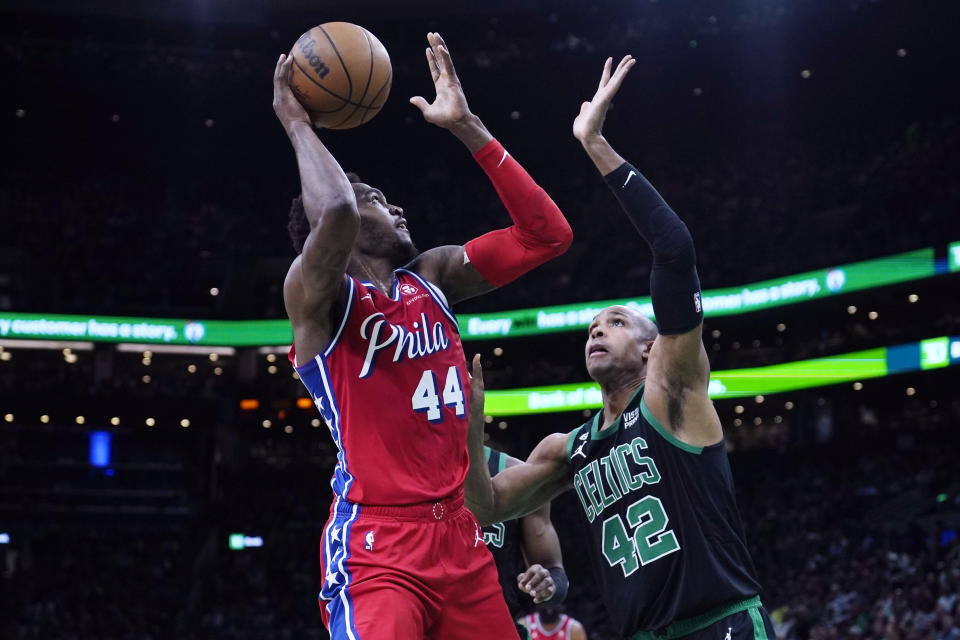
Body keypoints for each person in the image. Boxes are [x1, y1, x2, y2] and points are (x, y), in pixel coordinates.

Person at [272, 31, 573, 640]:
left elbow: (548, 235)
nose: (397, 208)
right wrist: (299, 125)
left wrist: (469, 128)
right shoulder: (319, 300)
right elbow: (334, 213)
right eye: (378, 201)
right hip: (378, 549)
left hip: (461, 539)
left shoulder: (433, 275)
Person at [464, 55, 776, 640]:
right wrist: (464, 428)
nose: (596, 331)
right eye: (591, 328)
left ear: (653, 347)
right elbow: (485, 511)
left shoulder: (671, 397)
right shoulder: (569, 448)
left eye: (614, 322)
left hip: (719, 623)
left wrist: (594, 142)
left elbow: (675, 250)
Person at [481, 445, 568, 638]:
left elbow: (554, 570)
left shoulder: (515, 473)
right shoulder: (414, 476)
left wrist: (546, 586)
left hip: (497, 629)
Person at [520, 603, 588, 640]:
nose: (549, 607)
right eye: (546, 601)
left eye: (552, 600)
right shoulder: (524, 625)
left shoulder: (574, 629)